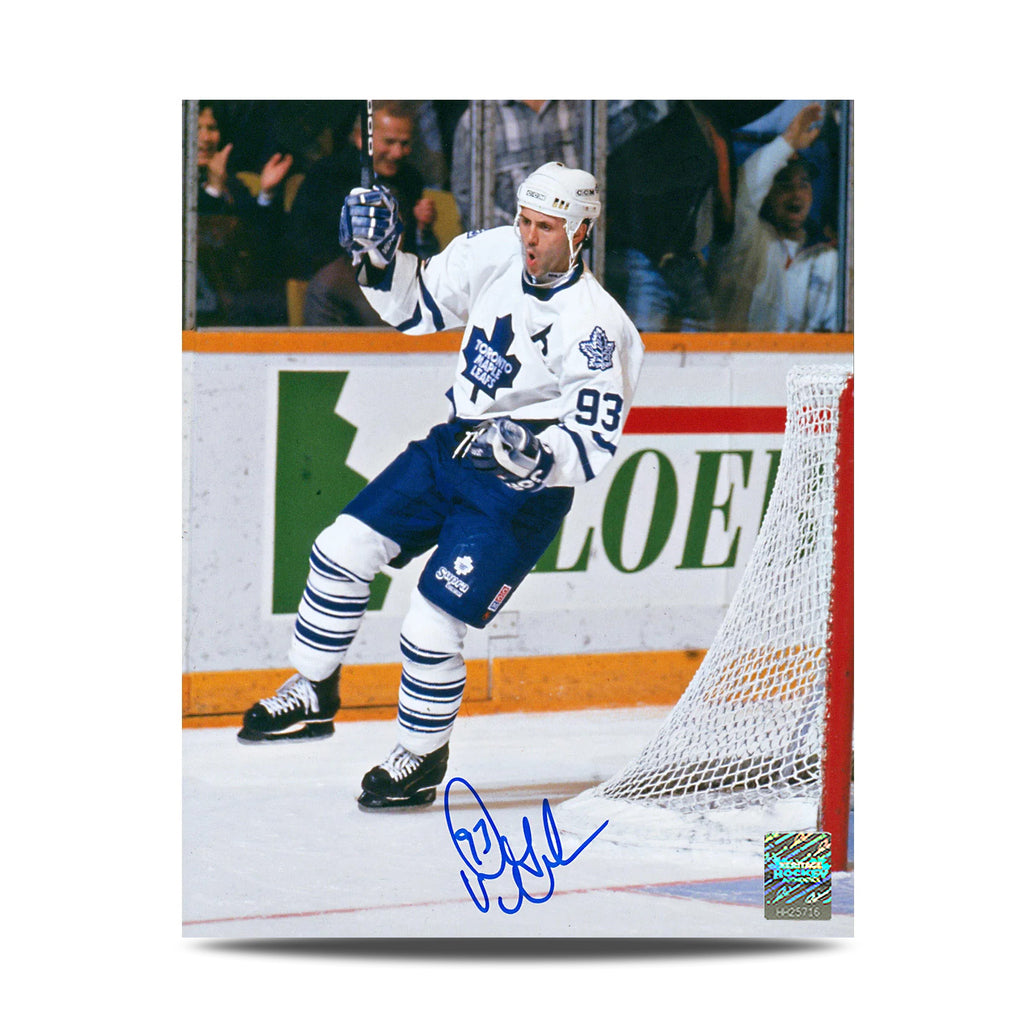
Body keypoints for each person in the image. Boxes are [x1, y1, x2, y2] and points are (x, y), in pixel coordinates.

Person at [237, 162, 645, 813]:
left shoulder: (597, 326)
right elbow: (413, 309)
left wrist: (534, 455)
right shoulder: (492, 253)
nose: (530, 236)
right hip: (454, 445)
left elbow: (590, 443)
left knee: (431, 623)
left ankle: (421, 756)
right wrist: (380, 255)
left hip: (521, 490)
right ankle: (312, 691)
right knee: (340, 547)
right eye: (526, 221)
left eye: (547, 226)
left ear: (582, 230)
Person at [285, 101, 439, 326]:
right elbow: (300, 245)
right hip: (344, 280)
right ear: (361, 139)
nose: (397, 153)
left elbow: (419, 255)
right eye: (389, 142)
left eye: (405, 144)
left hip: (401, 282)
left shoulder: (410, 179)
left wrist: (422, 229)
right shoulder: (327, 176)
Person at [709, 102, 839, 331]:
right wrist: (787, 142)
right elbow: (745, 194)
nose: (796, 194)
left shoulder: (828, 258)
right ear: (767, 193)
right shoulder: (746, 237)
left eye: (804, 184)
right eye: (785, 184)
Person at [195, 102, 294, 325]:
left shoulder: (234, 185)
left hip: (238, 293)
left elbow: (259, 241)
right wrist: (213, 190)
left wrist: (266, 193)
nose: (205, 138)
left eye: (211, 128)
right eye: (196, 128)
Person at [449, 101, 586, 230]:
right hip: (508, 248)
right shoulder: (479, 119)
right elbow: (468, 196)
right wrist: (518, 236)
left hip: (575, 242)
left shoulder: (582, 108)